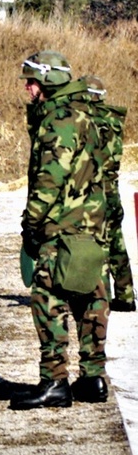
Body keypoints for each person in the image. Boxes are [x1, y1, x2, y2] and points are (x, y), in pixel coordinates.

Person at [12, 51, 110, 410]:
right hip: (91, 225)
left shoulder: (59, 120)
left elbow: (49, 179)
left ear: (49, 80)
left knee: (47, 299)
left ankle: (55, 382)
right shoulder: (86, 114)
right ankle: (93, 379)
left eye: (32, 80)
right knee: (91, 298)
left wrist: (31, 223)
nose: (27, 86)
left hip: (62, 229)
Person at [81, 74, 135, 313]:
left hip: (96, 192)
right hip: (112, 190)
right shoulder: (113, 120)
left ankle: (103, 297)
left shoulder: (90, 122)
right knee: (117, 244)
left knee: (98, 245)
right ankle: (126, 295)